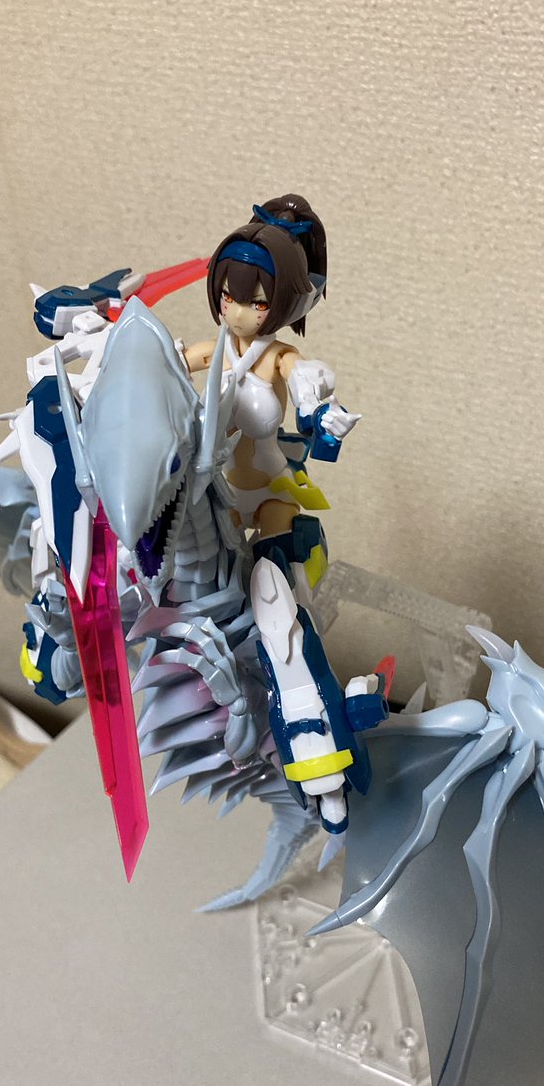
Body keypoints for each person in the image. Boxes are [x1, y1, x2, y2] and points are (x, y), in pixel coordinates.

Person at [184, 195, 381, 834]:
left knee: (274, 608)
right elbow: (160, 365)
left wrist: (321, 410)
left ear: (287, 303)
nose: (236, 308)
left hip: (267, 495)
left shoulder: (279, 360)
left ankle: (317, 749)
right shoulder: (215, 348)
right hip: (213, 492)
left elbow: (308, 387)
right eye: (228, 293)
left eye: (256, 300)